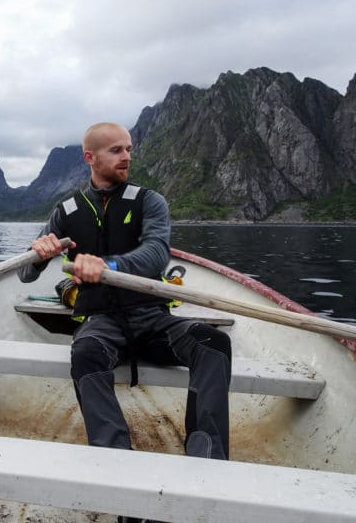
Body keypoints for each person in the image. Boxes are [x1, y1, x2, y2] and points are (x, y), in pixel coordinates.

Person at [18, 122, 231, 523]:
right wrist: (39, 252)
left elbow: (155, 255)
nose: (127, 156)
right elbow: (26, 277)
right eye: (116, 150)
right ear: (90, 158)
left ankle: (205, 467)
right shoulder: (65, 212)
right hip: (101, 322)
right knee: (84, 352)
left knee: (213, 344)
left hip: (152, 318)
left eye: (128, 149)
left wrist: (109, 265)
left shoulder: (150, 202)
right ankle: (120, 478)